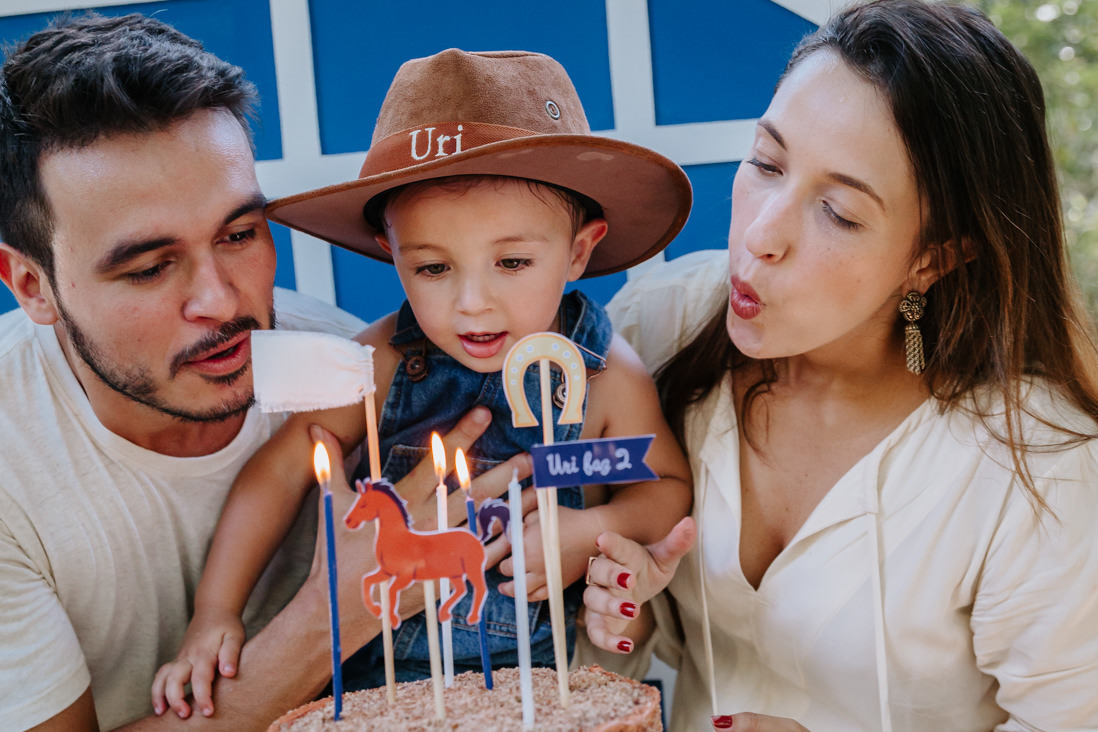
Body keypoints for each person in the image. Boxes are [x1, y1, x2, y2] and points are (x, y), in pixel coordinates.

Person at [580, 1, 1098, 730]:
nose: (761, 235)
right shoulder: (653, 327)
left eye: (840, 214)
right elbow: (608, 656)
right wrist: (615, 613)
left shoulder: (1039, 465)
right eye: (764, 162)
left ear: (934, 258)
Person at [0, 14, 523, 731]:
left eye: (240, 234)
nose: (220, 301)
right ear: (32, 286)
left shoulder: (368, 376)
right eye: (150, 268)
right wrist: (327, 619)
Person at [151, 48, 694, 716]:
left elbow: (664, 487)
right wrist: (214, 611)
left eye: (513, 262)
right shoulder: (380, 361)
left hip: (534, 701)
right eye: (434, 269)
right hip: (382, 696)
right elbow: (281, 467)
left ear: (579, 250)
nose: (472, 303)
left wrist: (592, 529)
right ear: (391, 252)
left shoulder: (605, 378)